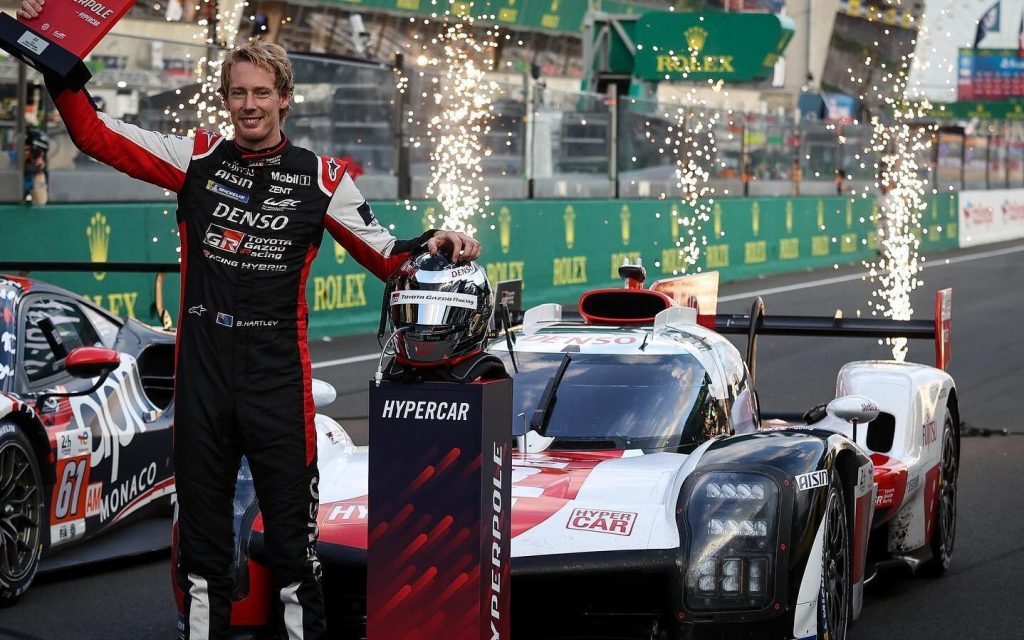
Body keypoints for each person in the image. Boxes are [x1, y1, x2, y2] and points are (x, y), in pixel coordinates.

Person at [17, 2, 480, 637]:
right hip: (204, 382)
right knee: (202, 560)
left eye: (261, 93)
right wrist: (54, 61)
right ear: (227, 99)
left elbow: (388, 258)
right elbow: (95, 135)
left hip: (278, 385)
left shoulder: (323, 178)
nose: (249, 104)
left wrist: (438, 242)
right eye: (238, 93)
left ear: (285, 99)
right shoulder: (195, 159)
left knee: (294, 555)